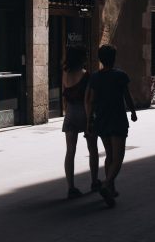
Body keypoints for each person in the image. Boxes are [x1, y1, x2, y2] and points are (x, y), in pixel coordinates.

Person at [86, 44, 137, 207]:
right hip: (117, 119)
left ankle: (111, 188)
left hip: (101, 120)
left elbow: (92, 101)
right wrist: (133, 112)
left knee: (109, 154)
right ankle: (107, 184)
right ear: (114, 58)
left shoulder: (95, 77)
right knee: (119, 157)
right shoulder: (120, 76)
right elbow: (127, 96)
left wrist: (89, 122)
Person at [61, 45, 98, 199]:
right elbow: (87, 101)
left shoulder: (65, 74)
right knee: (92, 149)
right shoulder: (86, 75)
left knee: (70, 151)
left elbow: (65, 96)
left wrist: (66, 112)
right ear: (81, 58)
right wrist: (90, 121)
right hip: (84, 113)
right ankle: (94, 181)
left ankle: (71, 187)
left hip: (70, 113)